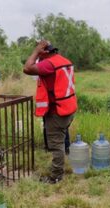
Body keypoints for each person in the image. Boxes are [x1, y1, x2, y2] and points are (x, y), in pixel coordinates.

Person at [23, 40, 77, 183]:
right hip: (68, 107)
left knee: (56, 144)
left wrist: (36, 52)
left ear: (45, 52)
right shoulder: (64, 60)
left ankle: (56, 176)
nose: (38, 58)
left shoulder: (49, 64)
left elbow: (27, 68)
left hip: (57, 111)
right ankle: (59, 167)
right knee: (60, 139)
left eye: (40, 54)